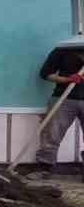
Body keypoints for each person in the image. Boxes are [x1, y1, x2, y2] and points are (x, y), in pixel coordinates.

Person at [34, 43, 84, 171]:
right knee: (52, 134)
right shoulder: (63, 48)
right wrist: (67, 79)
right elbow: (45, 74)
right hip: (64, 98)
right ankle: (44, 166)